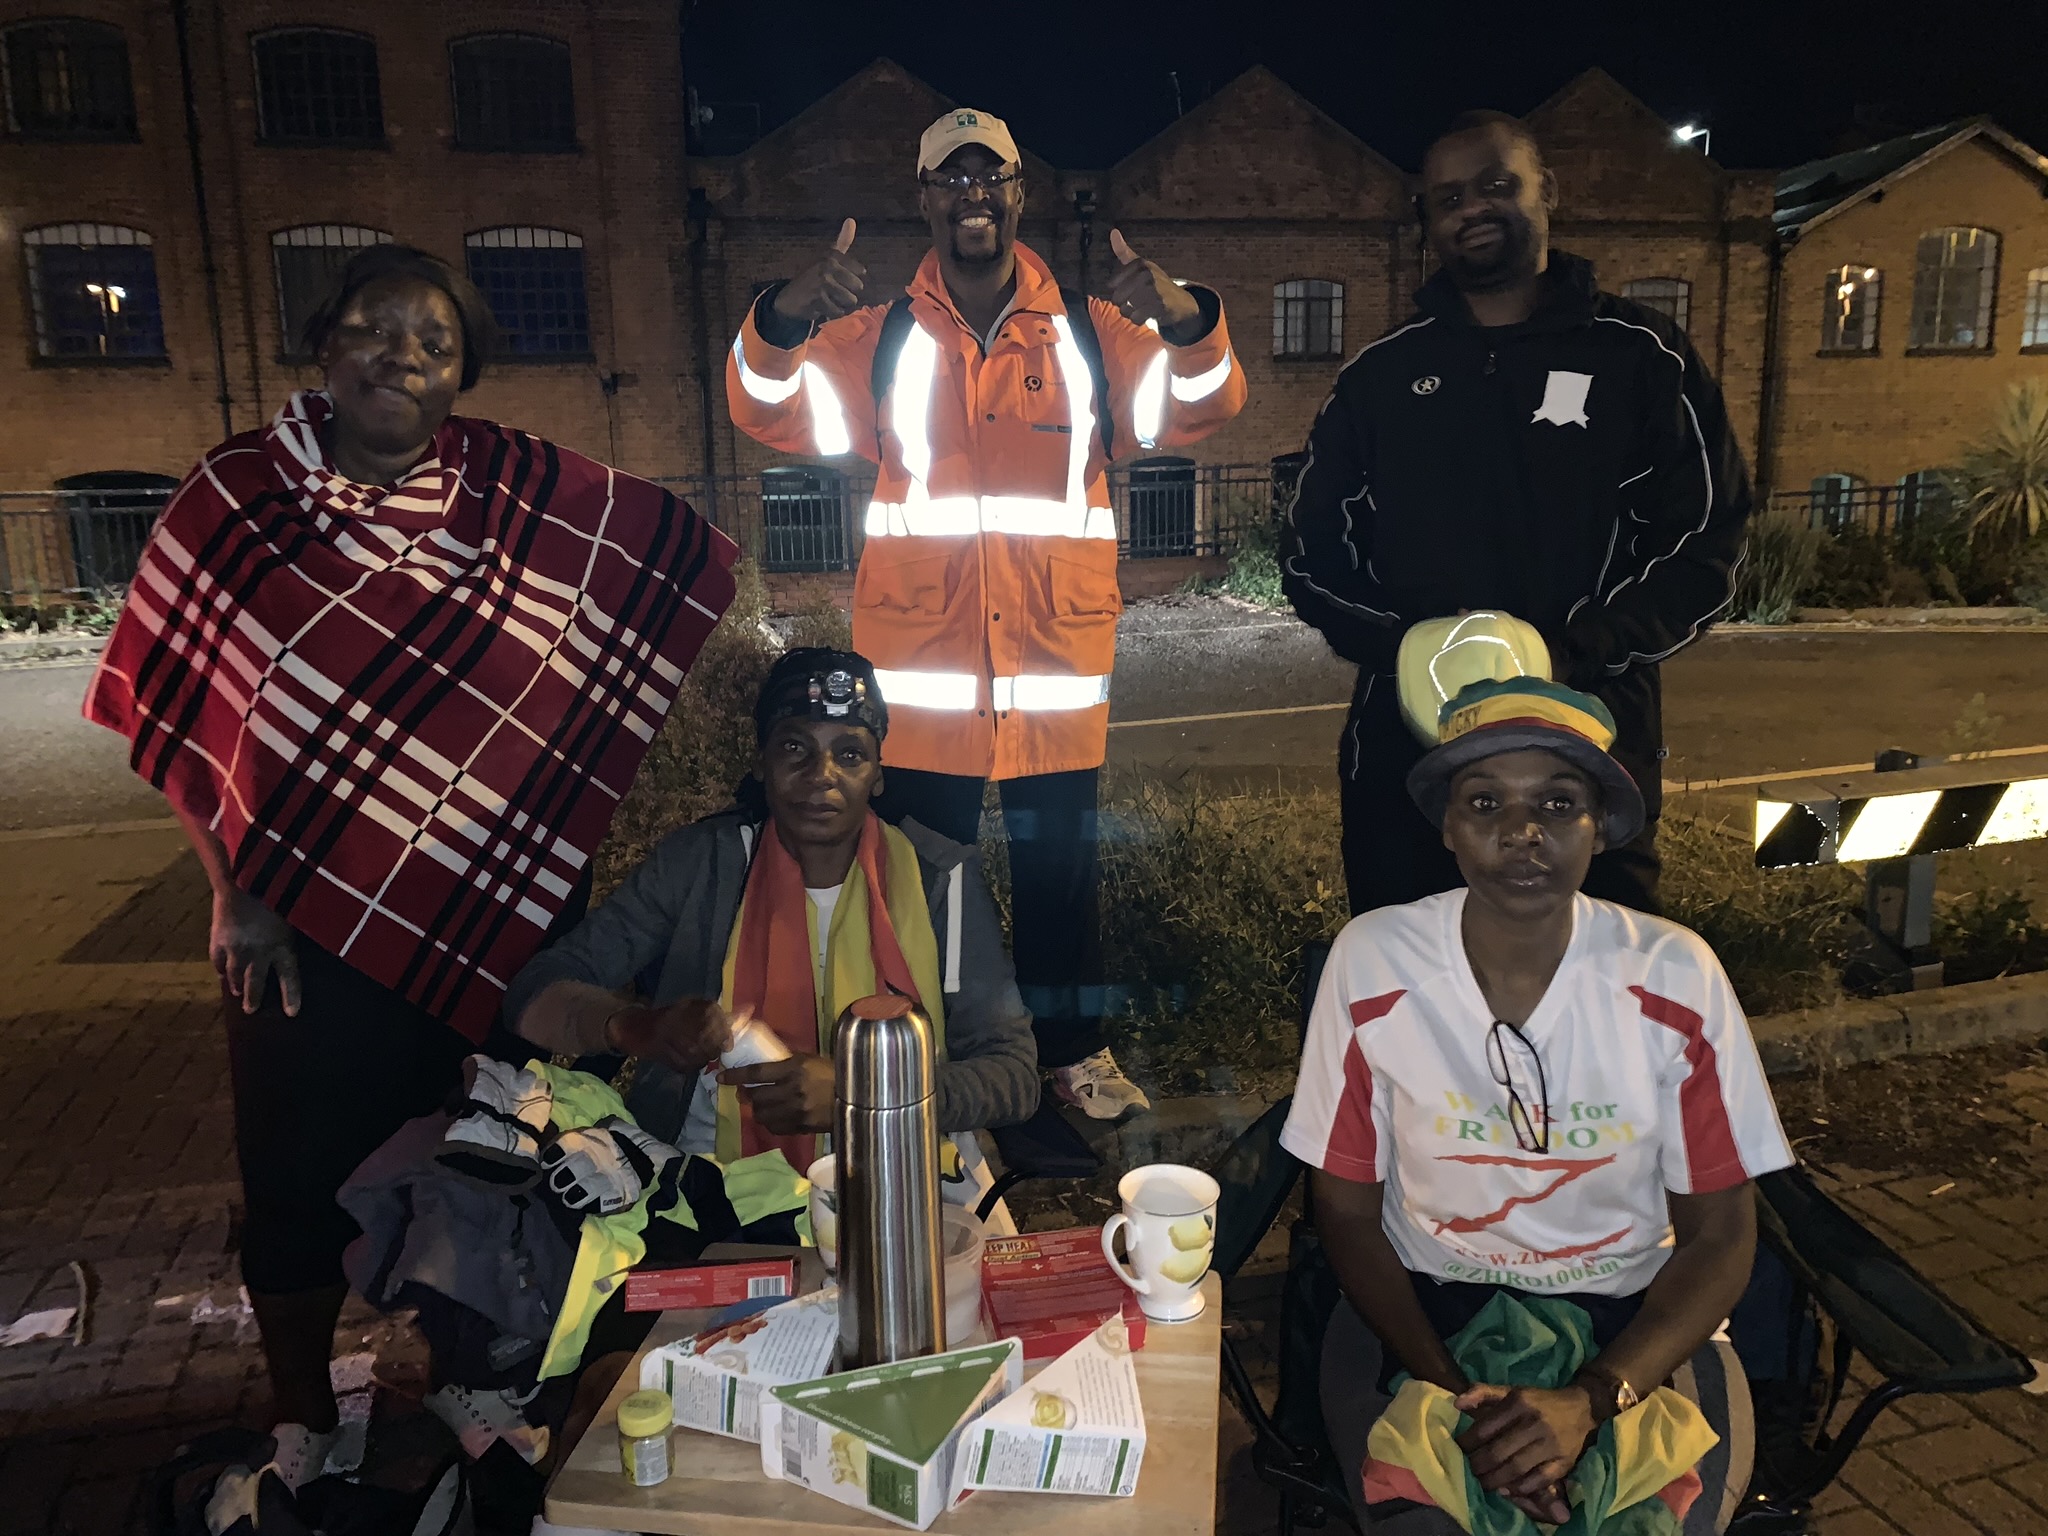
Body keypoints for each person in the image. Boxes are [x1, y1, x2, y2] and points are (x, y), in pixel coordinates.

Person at [83, 245, 736, 1486]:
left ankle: (468, 1384)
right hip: (303, 933)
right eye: (377, 331)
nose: (402, 358)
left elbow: (662, 556)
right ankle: (301, 1413)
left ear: (462, 377)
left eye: (433, 344)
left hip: (492, 911)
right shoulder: (236, 496)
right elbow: (184, 711)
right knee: (293, 1171)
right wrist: (236, 893)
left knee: (487, 1154)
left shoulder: (512, 491)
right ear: (326, 346)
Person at [726, 107, 1247, 1120]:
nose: (972, 196)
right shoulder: (878, 342)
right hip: (920, 691)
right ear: (922, 199)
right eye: (950, 179)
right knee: (927, 892)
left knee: (1062, 885)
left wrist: (1184, 323)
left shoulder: (1091, 335)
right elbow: (762, 405)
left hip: (1054, 673)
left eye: (990, 177)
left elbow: (1200, 406)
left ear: (1019, 193)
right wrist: (783, 315)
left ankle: (1072, 1058)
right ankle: (930, 1069)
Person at [1281, 670, 1793, 1532]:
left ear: (1600, 828)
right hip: (1423, 1313)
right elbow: (1345, 1209)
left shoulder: (1674, 975)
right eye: (1485, 804)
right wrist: (1461, 1398)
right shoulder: (1374, 965)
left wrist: (1591, 1398)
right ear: (1447, 826)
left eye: (1558, 805)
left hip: (1635, 1323)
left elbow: (1721, 1232)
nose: (1522, 832)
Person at [1281, 109, 1754, 917]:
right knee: (1413, 987)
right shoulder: (1383, 377)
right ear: (1429, 218)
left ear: (1547, 193)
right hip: (1410, 756)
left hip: (1592, 742)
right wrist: (1410, 651)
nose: (1473, 208)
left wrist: (1566, 656)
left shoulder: (1641, 356)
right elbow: (1310, 549)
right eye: (1449, 197)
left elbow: (1707, 543)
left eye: (1498, 185)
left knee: (1598, 989)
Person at [504, 648, 1039, 1177]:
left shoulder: (940, 878)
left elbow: (1014, 1075)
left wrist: (869, 1094)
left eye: (849, 754)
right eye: (794, 747)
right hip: (711, 1177)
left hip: (908, 1172)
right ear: (762, 762)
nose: (821, 775)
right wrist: (636, 1028)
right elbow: (534, 992)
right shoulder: (701, 866)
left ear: (877, 773)